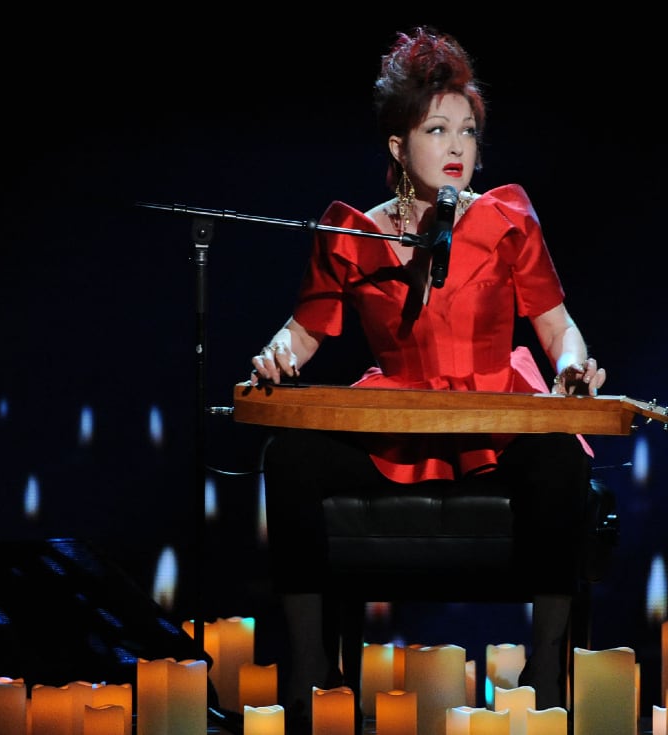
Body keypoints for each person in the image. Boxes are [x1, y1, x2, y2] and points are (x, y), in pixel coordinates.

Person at [248, 25, 607, 733]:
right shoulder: (354, 232)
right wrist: (275, 352)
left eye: (467, 132)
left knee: (562, 452)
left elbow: (557, 323)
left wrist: (570, 364)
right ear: (397, 146)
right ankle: (310, 667)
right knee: (288, 454)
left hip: (495, 410)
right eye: (436, 129)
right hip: (399, 416)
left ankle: (545, 669)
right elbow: (308, 327)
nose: (455, 147)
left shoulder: (507, 219)